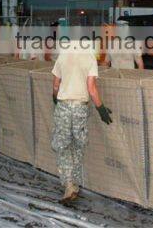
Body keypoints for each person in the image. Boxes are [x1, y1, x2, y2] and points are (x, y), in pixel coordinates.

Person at [52, 51, 112, 204]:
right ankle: (75, 183)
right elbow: (91, 88)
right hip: (80, 107)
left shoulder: (63, 55)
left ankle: (69, 184)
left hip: (63, 106)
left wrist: (55, 98)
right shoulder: (90, 56)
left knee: (63, 146)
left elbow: (55, 85)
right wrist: (101, 108)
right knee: (78, 145)